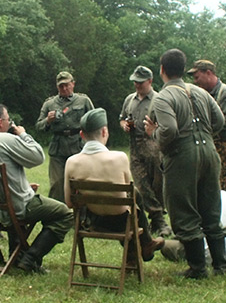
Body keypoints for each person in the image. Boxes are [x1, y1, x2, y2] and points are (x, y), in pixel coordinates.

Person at [143, 49, 226, 279]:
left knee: (184, 211)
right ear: (183, 68)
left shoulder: (163, 97)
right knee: (210, 209)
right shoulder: (200, 92)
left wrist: (153, 133)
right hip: (210, 153)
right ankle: (220, 266)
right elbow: (219, 121)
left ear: (162, 70)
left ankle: (198, 268)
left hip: (182, 157)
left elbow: (169, 130)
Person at [0, 103, 74, 273]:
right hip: (16, 207)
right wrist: (23, 134)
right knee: (65, 214)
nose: (10, 124)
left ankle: (17, 255)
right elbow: (38, 157)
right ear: (1, 122)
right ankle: (30, 258)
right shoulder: (5, 140)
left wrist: (22, 186)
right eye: (9, 120)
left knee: (30, 206)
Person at [65, 108, 165, 262]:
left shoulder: (71, 162)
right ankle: (145, 245)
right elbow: (127, 194)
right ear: (104, 131)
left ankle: (142, 249)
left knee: (135, 196)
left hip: (92, 222)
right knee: (134, 199)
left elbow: (70, 203)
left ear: (81, 135)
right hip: (122, 223)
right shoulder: (119, 158)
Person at [119, 65, 171, 237]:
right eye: (135, 82)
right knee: (141, 185)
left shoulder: (159, 100)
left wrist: (155, 128)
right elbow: (121, 118)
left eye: (140, 82)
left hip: (155, 146)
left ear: (150, 81)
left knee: (157, 185)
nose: (137, 85)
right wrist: (124, 125)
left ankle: (157, 219)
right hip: (135, 146)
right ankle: (158, 219)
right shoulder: (129, 100)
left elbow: (168, 125)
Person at [35, 71, 94, 203]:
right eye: (61, 86)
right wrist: (48, 121)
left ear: (73, 84)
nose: (64, 88)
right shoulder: (49, 104)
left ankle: (83, 218)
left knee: (82, 183)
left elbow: (94, 121)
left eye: (67, 85)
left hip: (78, 146)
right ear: (57, 87)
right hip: (58, 148)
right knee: (57, 185)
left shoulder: (84, 101)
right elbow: (39, 127)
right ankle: (58, 217)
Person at [188, 59, 226, 193]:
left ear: (209, 73)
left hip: (224, 146)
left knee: (225, 189)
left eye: (197, 77)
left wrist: (205, 123)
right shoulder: (202, 95)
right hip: (208, 146)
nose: (195, 81)